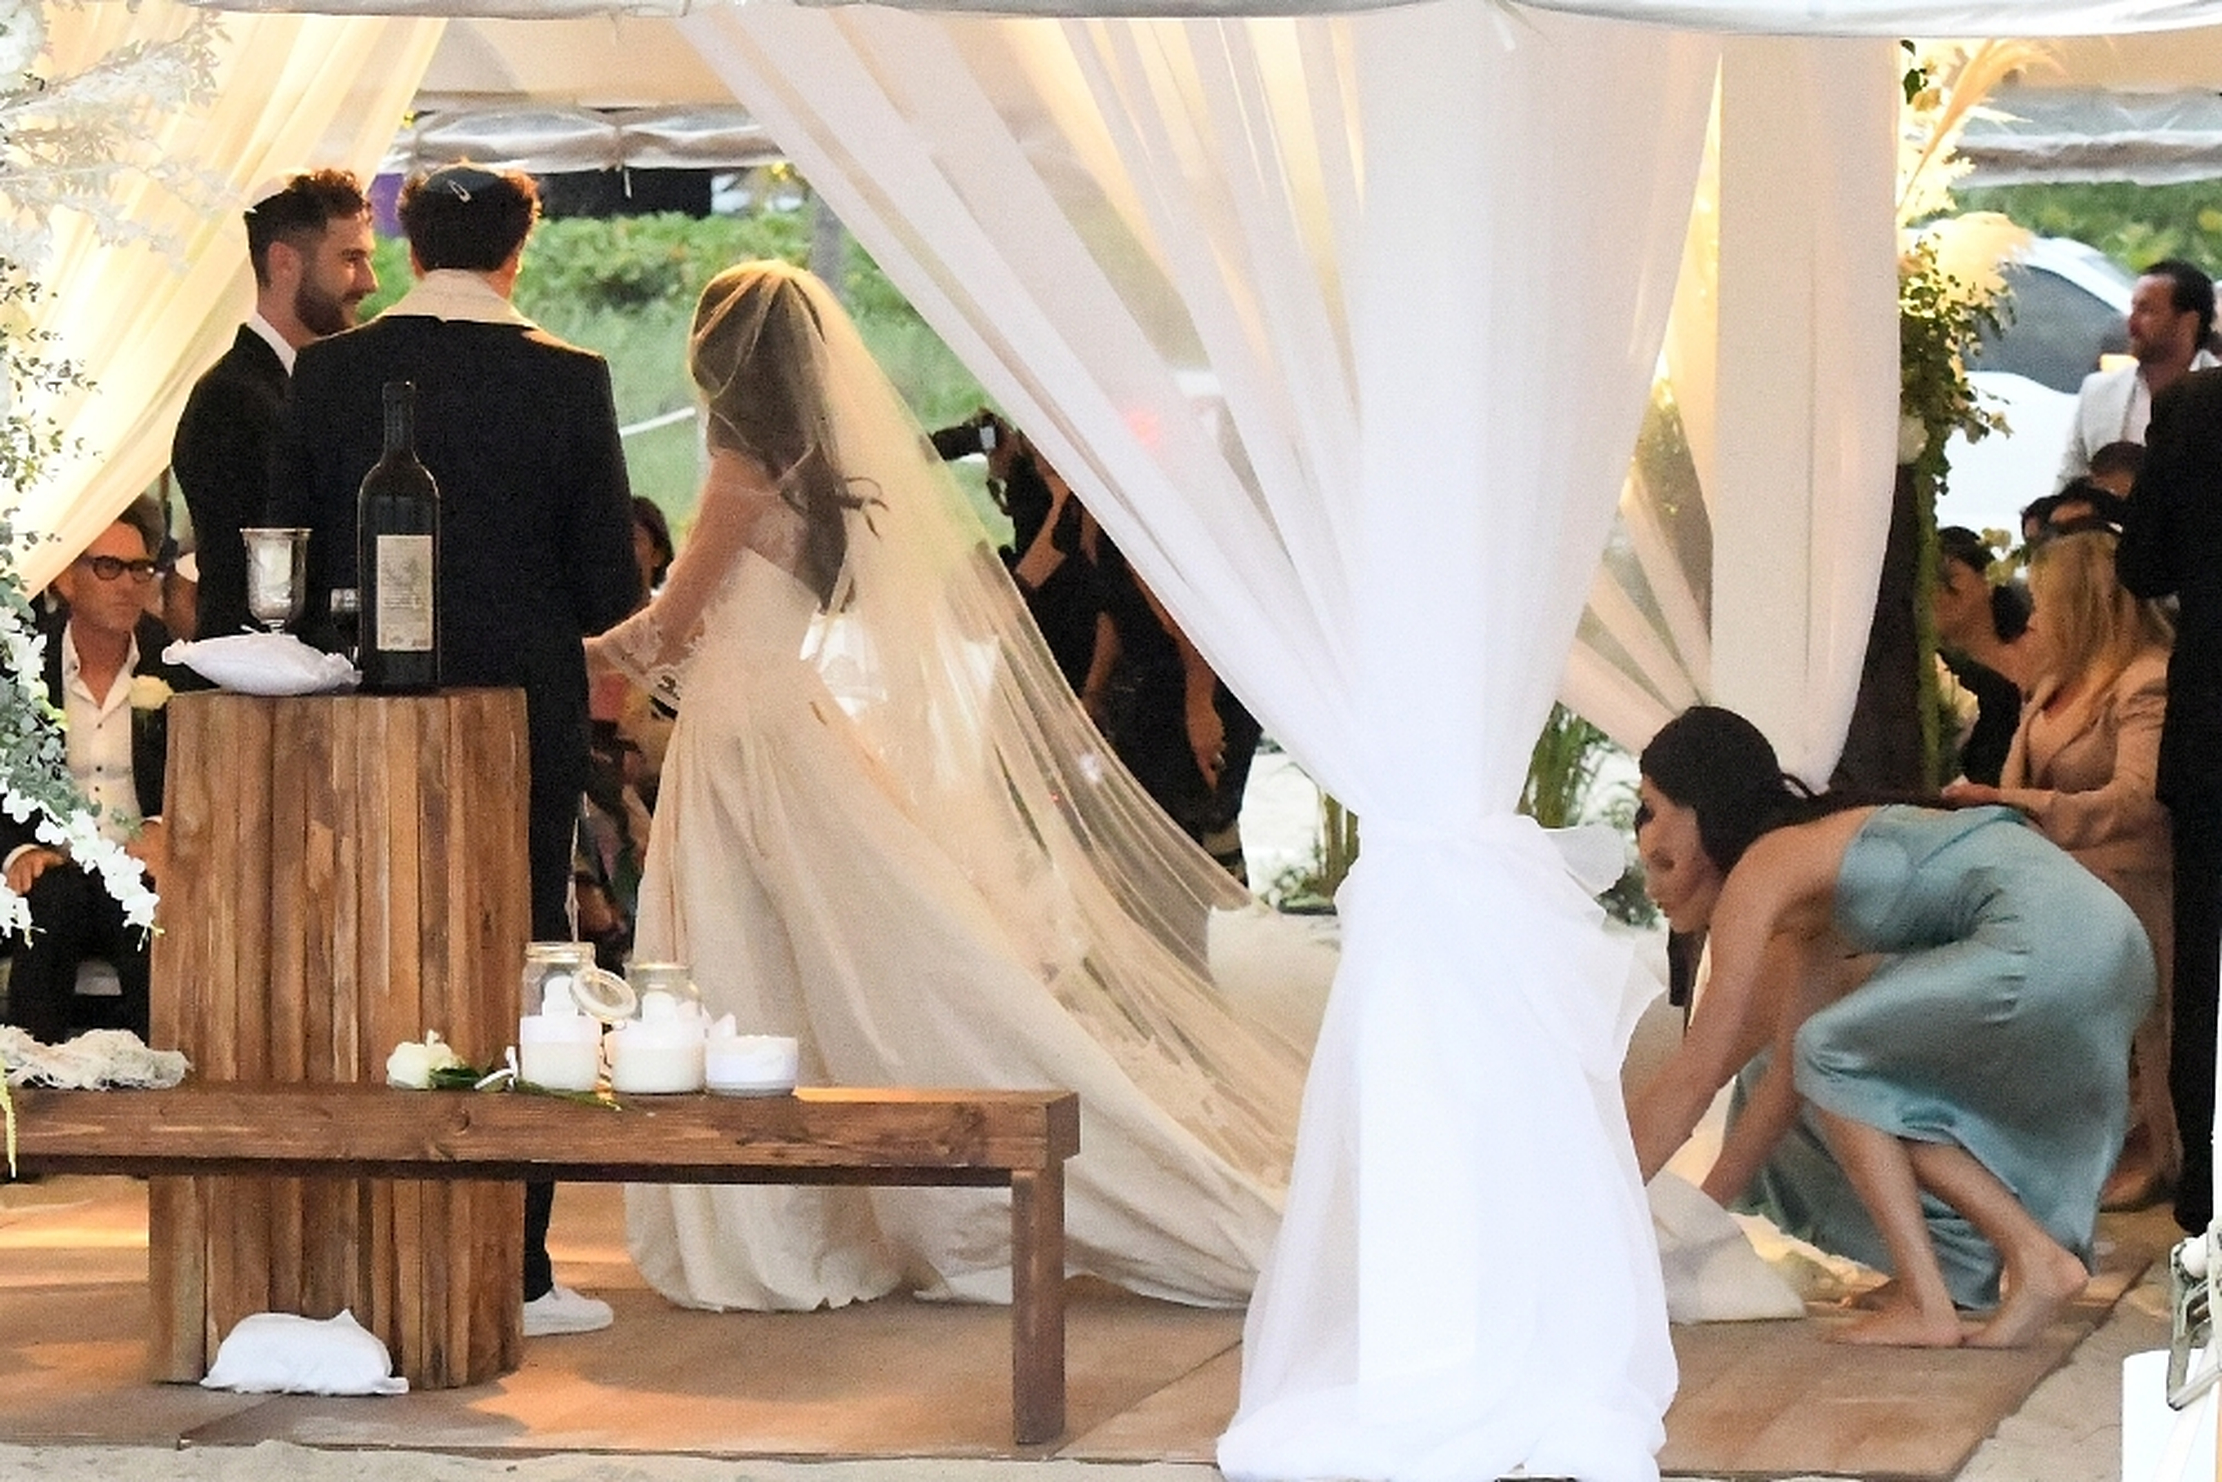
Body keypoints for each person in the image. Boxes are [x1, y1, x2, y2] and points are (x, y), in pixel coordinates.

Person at [590, 261, 1309, 1311]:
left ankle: (781, 1223)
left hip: (745, 739)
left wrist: (558, 651)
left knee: (748, 964)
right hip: (782, 723)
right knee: (830, 957)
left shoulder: (741, 472)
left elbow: (667, 629)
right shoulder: (817, 472)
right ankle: (823, 1198)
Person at [269, 163, 642, 1337]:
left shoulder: (329, 374)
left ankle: (351, 1247)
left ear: (408, 244)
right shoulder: (567, 378)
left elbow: (284, 553)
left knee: (358, 946)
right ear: (518, 252)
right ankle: (514, 1264)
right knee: (524, 956)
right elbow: (608, 587)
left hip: (361, 717)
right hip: (523, 716)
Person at [1628, 706, 2150, 1347]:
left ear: (1701, 803)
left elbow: (1694, 1077)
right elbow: (1788, 1083)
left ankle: (1946, 1297)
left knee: (1831, 1052)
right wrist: (1692, 1225)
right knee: (1847, 1073)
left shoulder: (1764, 871)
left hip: (2052, 941)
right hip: (2107, 941)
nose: (1642, 836)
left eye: (1648, 807)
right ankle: (2026, 1262)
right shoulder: (1808, 878)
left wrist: (1601, 1209)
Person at [1947, 529, 2174, 1209]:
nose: (2033, 616)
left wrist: (2017, 804)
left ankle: (2156, 1149)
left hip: (2129, 886)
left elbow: (2138, 801)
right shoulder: (2052, 684)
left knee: (2136, 1027)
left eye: (2045, 602)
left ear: (2083, 606)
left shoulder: (2147, 681)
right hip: (2054, 883)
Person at [0, 507, 199, 1044]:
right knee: (53, 901)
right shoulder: (20, 667)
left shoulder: (173, 663)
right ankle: (30, 1068)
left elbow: (203, 773)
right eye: (110, 567)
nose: (130, 584)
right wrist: (17, 852)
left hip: (136, 863)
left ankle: (163, 1068)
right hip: (53, 865)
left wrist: (163, 826)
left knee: (148, 909)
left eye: (141, 569)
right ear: (67, 579)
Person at [172, 170, 375, 640]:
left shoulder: (319, 390)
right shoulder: (229, 400)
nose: (370, 281)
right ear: (284, 262)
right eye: (351, 259)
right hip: (256, 673)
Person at [2120, 360, 2222, 1238]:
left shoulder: (2191, 410)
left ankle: (2206, 1192)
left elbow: (2143, 565)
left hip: (2213, 724)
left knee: (2204, 971)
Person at [2057, 258, 2217, 492]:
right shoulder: (2098, 391)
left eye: (2147, 311)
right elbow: (2068, 485)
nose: (2131, 323)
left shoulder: (2214, 394)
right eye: (2133, 308)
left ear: (2188, 322)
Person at [1934, 526, 2032, 786]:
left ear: (1987, 579)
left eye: (1950, 576)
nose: (1937, 590)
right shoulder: (1935, 671)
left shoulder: (2037, 649)